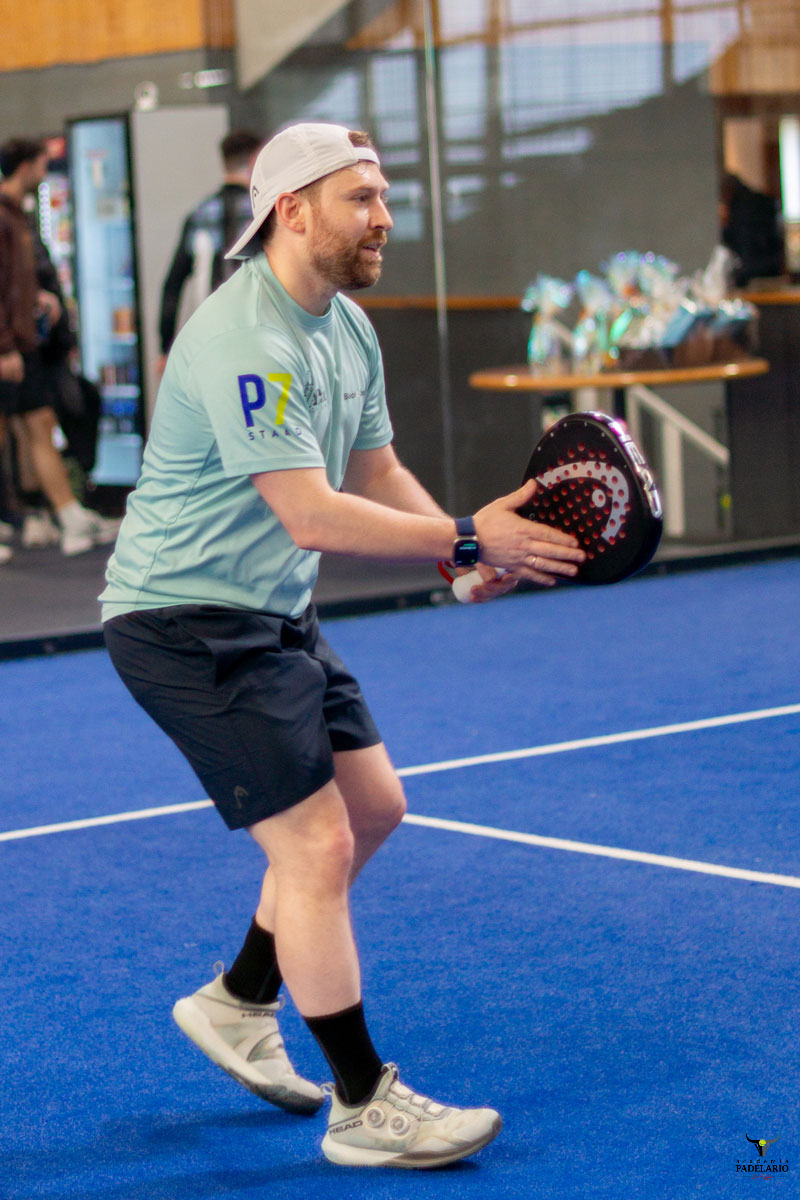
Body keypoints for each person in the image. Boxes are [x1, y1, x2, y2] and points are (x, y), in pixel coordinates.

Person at [101, 122, 585, 1170]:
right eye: (361, 198)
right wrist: (467, 533)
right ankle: (363, 1104)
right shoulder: (245, 337)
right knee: (314, 846)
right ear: (291, 210)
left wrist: (455, 556)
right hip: (181, 622)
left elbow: (370, 475)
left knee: (374, 809)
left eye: (383, 196)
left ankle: (237, 1001)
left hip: (272, 615)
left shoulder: (344, 329)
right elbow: (311, 516)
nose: (384, 217)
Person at [0, 136, 118, 556]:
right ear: (26, 165)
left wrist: (38, 300)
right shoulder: (5, 216)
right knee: (25, 428)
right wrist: (5, 347)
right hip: (12, 346)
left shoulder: (15, 215)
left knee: (38, 423)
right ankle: (58, 515)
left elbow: (14, 282)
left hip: (24, 343)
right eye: (41, 164)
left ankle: (66, 514)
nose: (44, 173)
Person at [156, 128, 263, 370]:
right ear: (254, 161)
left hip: (211, 341)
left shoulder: (198, 215)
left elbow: (172, 286)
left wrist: (165, 347)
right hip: (260, 340)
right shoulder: (265, 215)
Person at [719, 171, 784, 287]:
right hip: (770, 266)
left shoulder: (741, 209)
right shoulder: (760, 201)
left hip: (753, 270)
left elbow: (744, 243)